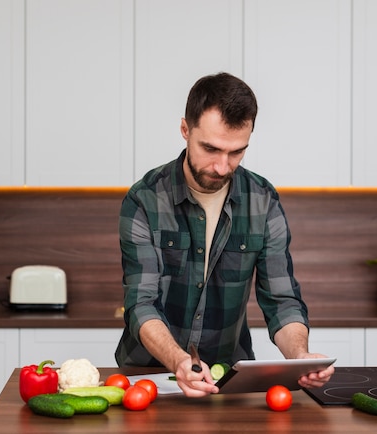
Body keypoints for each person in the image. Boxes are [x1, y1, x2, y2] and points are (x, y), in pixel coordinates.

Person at [114, 72, 334, 397]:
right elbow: (141, 303)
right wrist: (179, 361)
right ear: (185, 130)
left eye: (236, 152)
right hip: (148, 378)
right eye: (211, 149)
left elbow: (282, 299)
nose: (222, 166)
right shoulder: (144, 199)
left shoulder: (262, 200)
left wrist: (299, 357)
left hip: (231, 382)